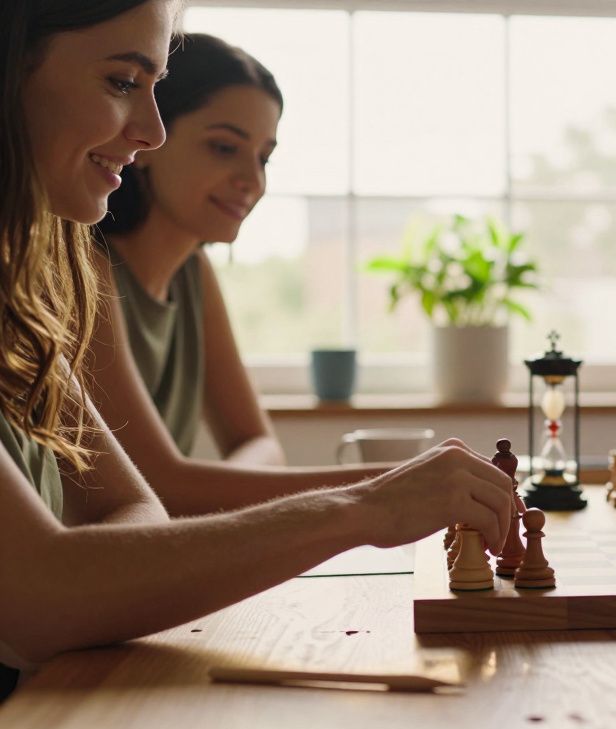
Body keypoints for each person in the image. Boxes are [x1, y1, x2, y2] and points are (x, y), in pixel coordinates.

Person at [0, 0, 514, 700]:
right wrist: (366, 505)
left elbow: (137, 510)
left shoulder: (23, 298)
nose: (148, 131)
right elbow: (44, 595)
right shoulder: (80, 273)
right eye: (122, 81)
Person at [87, 32, 393, 516]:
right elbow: (159, 483)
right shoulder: (85, 269)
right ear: (148, 140)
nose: (253, 180)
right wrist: (396, 484)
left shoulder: (193, 271)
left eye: (263, 156)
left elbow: (257, 442)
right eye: (224, 148)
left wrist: (222, 483)